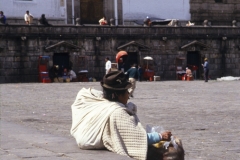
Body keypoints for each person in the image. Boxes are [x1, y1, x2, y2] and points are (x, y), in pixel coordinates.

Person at [70, 71, 172, 160]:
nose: (128, 95)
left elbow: (90, 92)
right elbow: (136, 138)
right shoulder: (117, 112)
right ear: (116, 95)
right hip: (90, 142)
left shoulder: (96, 99)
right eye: (126, 92)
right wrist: (160, 136)